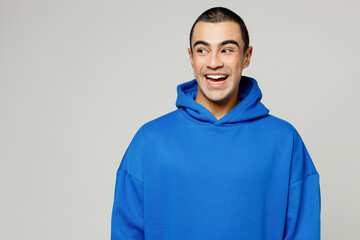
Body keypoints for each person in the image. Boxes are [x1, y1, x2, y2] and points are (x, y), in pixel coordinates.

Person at [111, 6, 321, 240]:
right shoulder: (150, 140)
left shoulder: (284, 141)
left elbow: (304, 232)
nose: (214, 62)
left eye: (227, 50)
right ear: (191, 57)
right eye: (203, 50)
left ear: (247, 56)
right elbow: (126, 233)